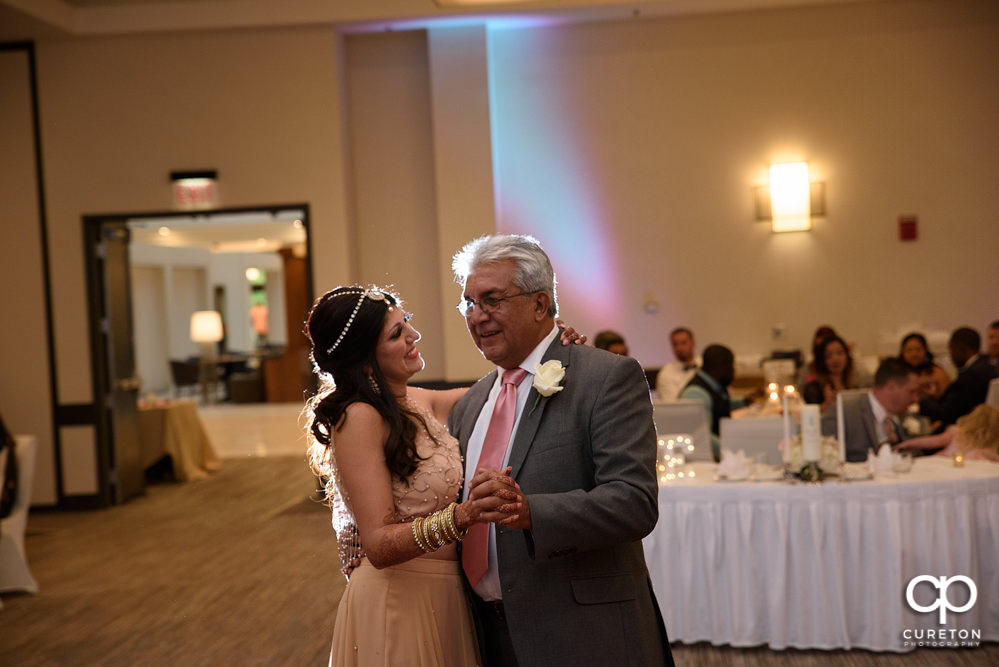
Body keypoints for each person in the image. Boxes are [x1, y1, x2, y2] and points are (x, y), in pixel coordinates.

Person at [304, 285, 583, 665]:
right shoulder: (358, 417)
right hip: (398, 600)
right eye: (396, 334)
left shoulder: (418, 400)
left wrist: (549, 346)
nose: (413, 336)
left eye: (408, 324)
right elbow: (380, 545)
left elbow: (506, 391)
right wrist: (464, 515)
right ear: (365, 359)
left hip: (447, 596)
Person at [449, 235, 673, 667]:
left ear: (539, 304)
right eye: (469, 304)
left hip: (583, 635)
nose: (477, 317)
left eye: (492, 300)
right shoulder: (472, 403)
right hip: (486, 636)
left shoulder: (605, 378)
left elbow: (635, 502)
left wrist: (531, 512)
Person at [820, 357, 920, 462]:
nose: (916, 399)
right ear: (891, 386)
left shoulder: (903, 415)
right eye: (911, 392)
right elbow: (827, 458)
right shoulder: (843, 412)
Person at [678, 344, 751, 463]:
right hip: (705, 462)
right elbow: (702, 437)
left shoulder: (713, 385)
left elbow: (718, 405)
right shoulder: (695, 393)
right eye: (731, 365)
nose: (733, 370)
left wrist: (744, 401)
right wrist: (736, 449)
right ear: (720, 366)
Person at [919, 327, 999, 428]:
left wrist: (921, 401)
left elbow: (948, 412)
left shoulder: (970, 376)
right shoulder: (989, 368)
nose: (952, 356)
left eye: (952, 350)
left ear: (960, 348)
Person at [896, 404, 999, 462]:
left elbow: (933, 442)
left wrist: (908, 443)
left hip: (943, 467)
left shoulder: (956, 432)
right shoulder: (989, 449)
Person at [802, 334, 856, 410]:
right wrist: (827, 404)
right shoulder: (814, 388)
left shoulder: (854, 386)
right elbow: (809, 415)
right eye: (829, 356)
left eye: (840, 353)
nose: (835, 359)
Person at [899, 332, 951, 399]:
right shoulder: (896, 375)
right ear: (903, 352)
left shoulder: (938, 373)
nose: (914, 354)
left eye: (918, 349)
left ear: (925, 351)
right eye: (909, 350)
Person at [656, 326, 701, 400]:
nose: (679, 348)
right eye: (675, 344)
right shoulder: (666, 372)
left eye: (683, 343)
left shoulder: (704, 365)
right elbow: (671, 403)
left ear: (693, 343)